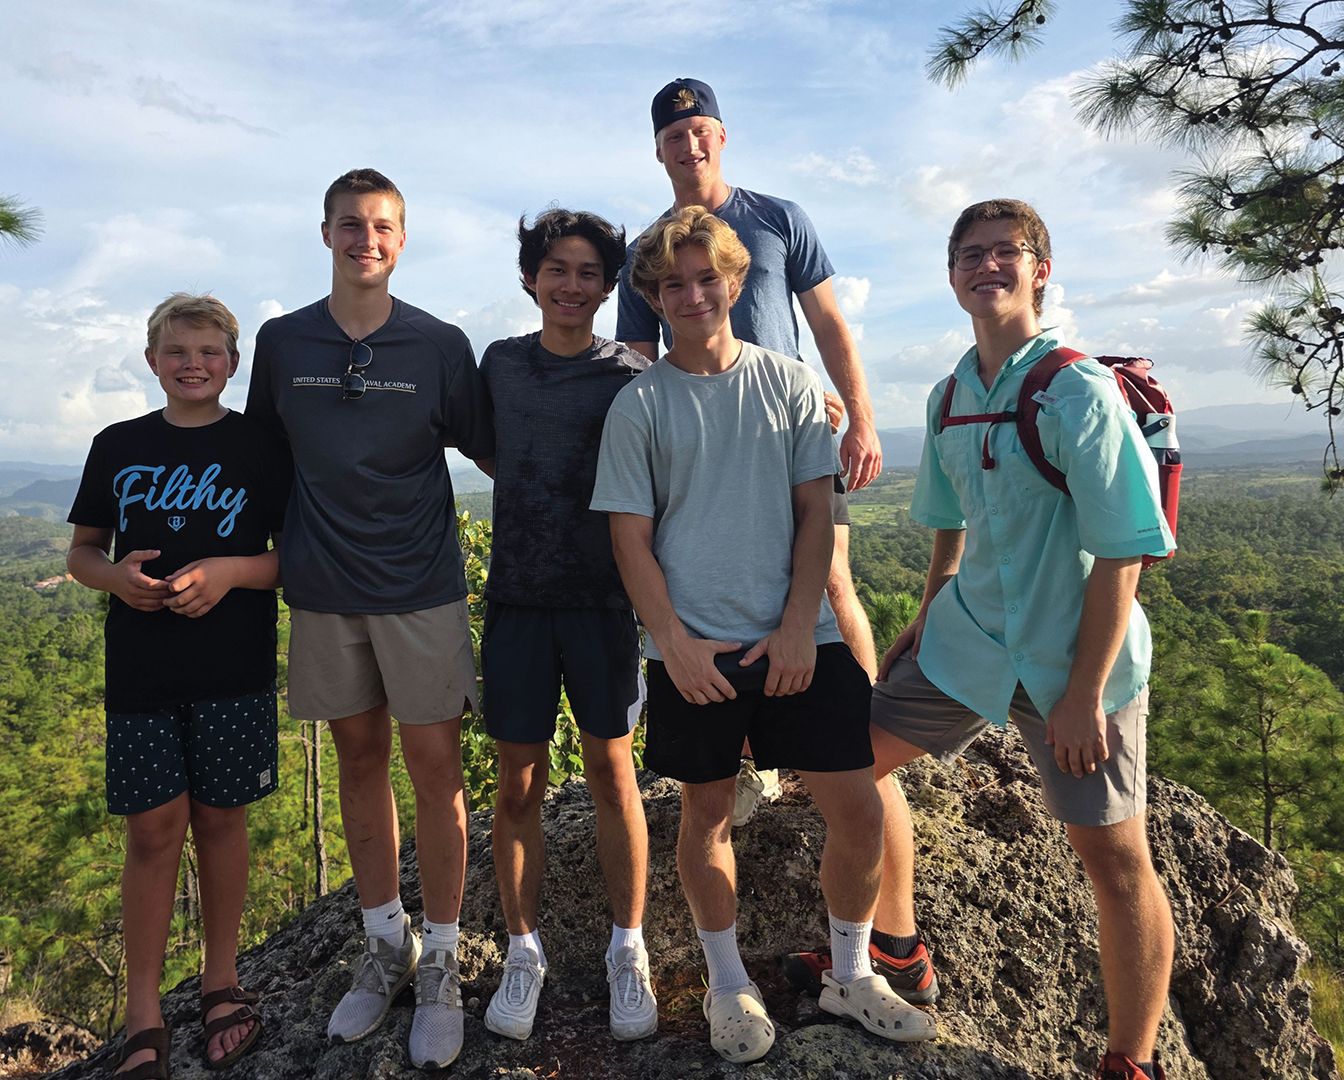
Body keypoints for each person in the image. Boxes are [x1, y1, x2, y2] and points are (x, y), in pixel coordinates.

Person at [592, 206, 936, 1065]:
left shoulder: (786, 382)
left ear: (737, 283)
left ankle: (851, 973)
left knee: (856, 807)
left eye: (708, 277)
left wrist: (795, 627)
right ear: (653, 296)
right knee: (705, 813)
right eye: (673, 283)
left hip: (800, 637)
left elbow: (815, 509)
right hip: (694, 645)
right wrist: (668, 640)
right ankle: (726, 983)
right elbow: (629, 535)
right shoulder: (639, 406)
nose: (693, 294)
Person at [868, 199, 1176, 1080]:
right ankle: (894, 949)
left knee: (1114, 859)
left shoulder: (1078, 389)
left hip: (1068, 659)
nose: (987, 265)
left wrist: (1083, 694)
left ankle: (1133, 1060)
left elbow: (1124, 549)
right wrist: (924, 620)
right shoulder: (950, 395)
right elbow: (947, 526)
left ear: (1042, 270)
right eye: (970, 254)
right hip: (968, 642)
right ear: (952, 275)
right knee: (848, 767)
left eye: (1008, 252)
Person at [244, 169, 495, 1071]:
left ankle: (442, 961)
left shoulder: (437, 343)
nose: (367, 239)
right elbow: (259, 457)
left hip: (420, 587)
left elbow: (497, 448)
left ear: (403, 237)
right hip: (322, 589)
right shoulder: (282, 342)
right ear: (325, 233)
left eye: (383, 226)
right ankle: (385, 945)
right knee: (358, 759)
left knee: (433, 768)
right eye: (351, 225)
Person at [615, 77, 884, 827]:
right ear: (659, 151)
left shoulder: (777, 218)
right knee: (707, 593)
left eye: (700, 129)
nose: (688, 143)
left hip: (791, 426)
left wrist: (857, 413)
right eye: (674, 136)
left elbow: (827, 322)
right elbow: (636, 358)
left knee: (831, 581)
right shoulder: (649, 251)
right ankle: (739, 760)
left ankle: (853, 735)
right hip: (698, 444)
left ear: (721, 136)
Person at [68, 293, 290, 1078]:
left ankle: (220, 981)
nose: (192, 364)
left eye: (209, 352)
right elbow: (84, 552)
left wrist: (230, 571)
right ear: (152, 359)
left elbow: (293, 559)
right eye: (176, 351)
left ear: (233, 362)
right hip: (141, 669)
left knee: (222, 821)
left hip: (233, 668)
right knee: (153, 831)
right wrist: (115, 580)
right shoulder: (118, 444)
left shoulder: (261, 446)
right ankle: (142, 1011)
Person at [472, 209, 655, 1043]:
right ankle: (522, 949)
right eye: (557, 269)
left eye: (588, 272)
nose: (572, 284)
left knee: (615, 776)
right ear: (530, 278)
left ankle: (629, 948)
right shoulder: (501, 365)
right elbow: (488, 450)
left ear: (608, 287)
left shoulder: (631, 373)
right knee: (516, 784)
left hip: (604, 603)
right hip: (516, 597)